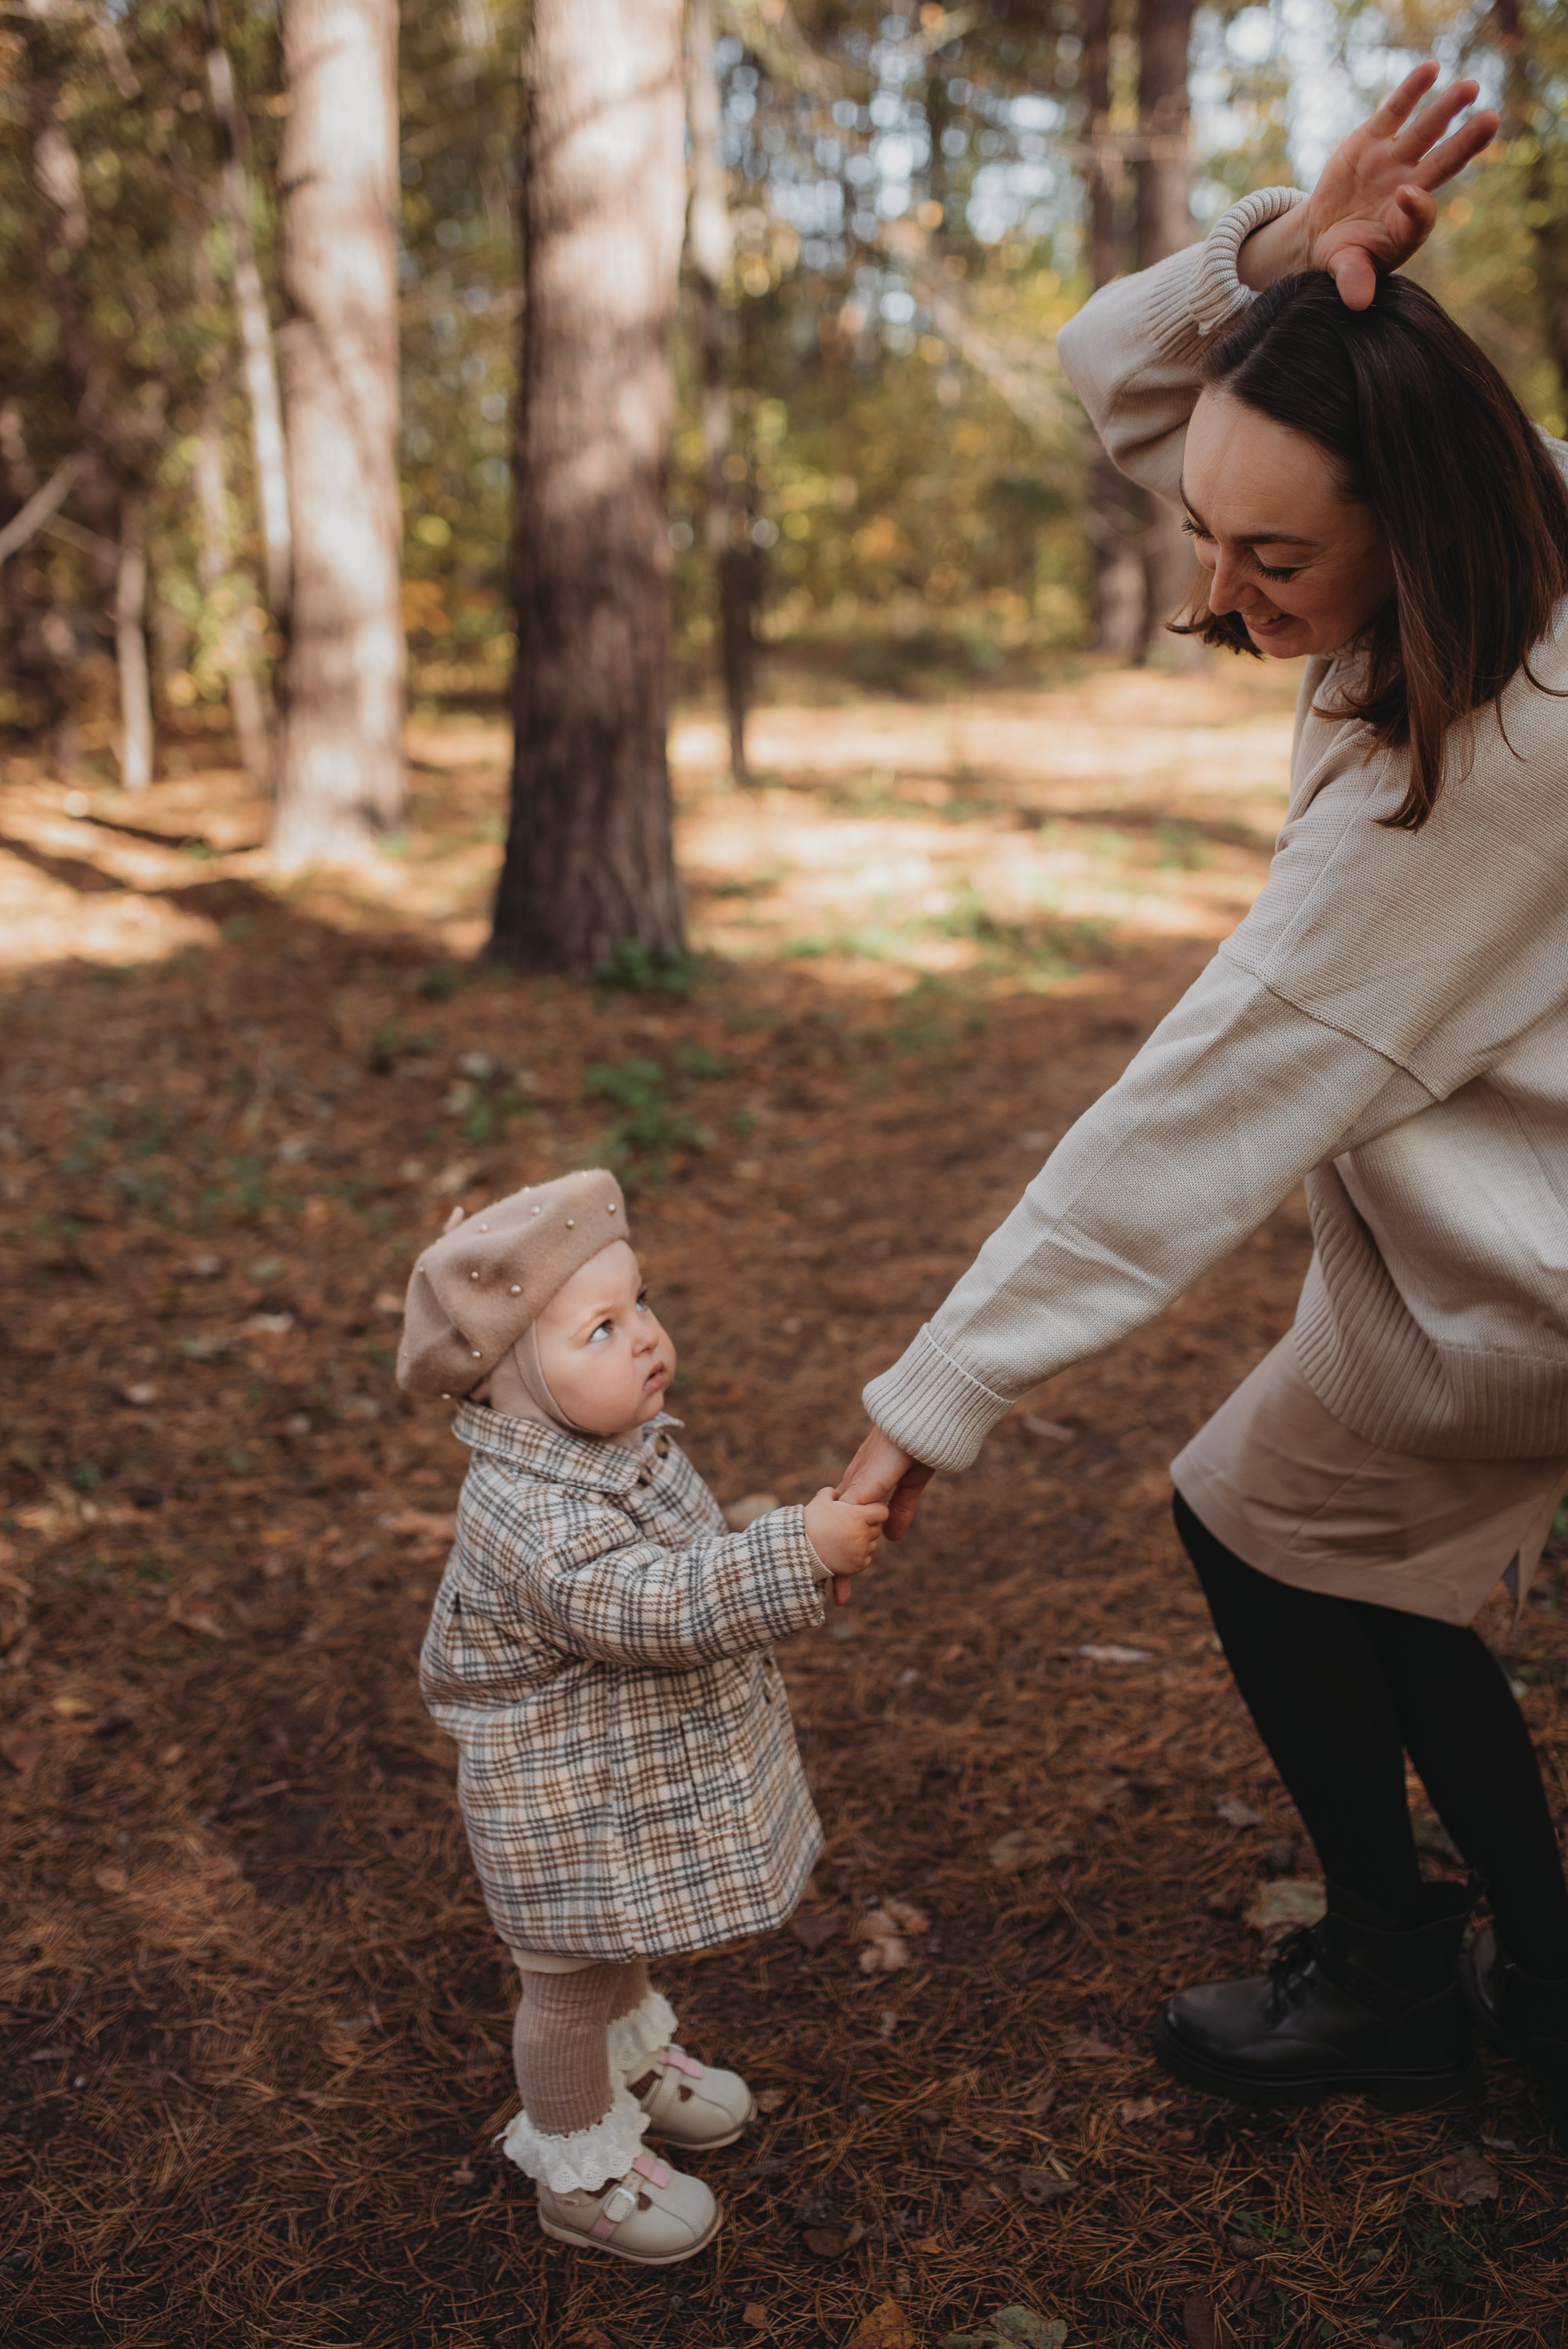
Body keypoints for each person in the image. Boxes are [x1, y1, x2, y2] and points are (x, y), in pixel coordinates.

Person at [838, 65, 1568, 2142]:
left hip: (1524, 1269)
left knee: (1263, 1523)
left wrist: (925, 1407)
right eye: (1198, 537)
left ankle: (1398, 1985)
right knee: (1352, 1554)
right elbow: (1109, 364)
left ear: (1400, 526)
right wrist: (1277, 252)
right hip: (1486, 1212)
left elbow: (1195, 1109)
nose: (1222, 594)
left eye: (1268, 560)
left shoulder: (1480, 769)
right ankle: (1525, 1976)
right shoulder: (1497, 491)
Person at [396, 1167, 885, 2262]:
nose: (649, 1339)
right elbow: (651, 1604)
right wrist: (790, 1553)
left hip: (608, 1771)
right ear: (509, 1382)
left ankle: (630, 2069)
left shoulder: (604, 1448)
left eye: (643, 1304)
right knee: (566, 1985)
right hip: (560, 1797)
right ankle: (578, 2164)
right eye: (604, 1328)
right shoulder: (531, 1509)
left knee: (614, 1949)